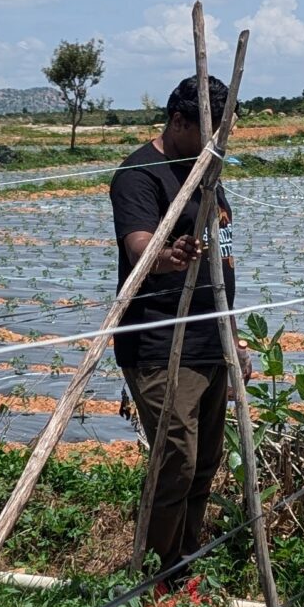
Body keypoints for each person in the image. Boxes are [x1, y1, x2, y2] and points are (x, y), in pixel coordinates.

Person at [109, 75, 236, 574]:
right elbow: (139, 244)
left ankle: (182, 558)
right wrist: (168, 255)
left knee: (204, 461)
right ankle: (161, 566)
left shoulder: (208, 172)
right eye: (208, 130)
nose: (217, 143)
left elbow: (223, 258)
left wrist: (234, 336)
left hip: (211, 337)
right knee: (176, 456)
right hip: (160, 341)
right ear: (179, 121)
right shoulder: (141, 174)